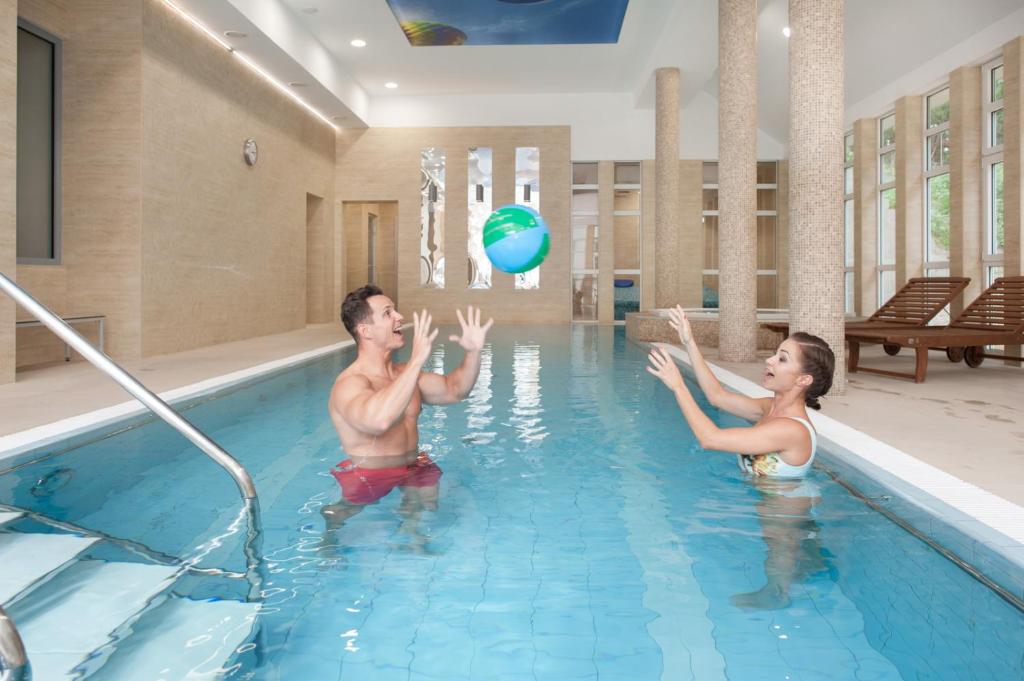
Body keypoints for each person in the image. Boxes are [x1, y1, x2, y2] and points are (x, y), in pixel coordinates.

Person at [320, 284, 493, 541]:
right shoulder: (350, 384)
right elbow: (378, 420)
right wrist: (416, 361)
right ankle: (331, 527)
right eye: (388, 313)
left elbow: (455, 390)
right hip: (372, 471)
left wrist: (473, 352)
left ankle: (410, 534)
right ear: (365, 331)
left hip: (412, 463)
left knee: (428, 502)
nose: (400, 316)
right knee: (349, 509)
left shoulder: (403, 374)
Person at [646, 305, 835, 478]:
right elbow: (717, 396)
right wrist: (689, 342)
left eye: (782, 359)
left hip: (784, 515)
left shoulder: (793, 430)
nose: (769, 360)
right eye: (775, 354)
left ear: (803, 379)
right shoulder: (768, 407)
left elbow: (710, 439)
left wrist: (679, 386)